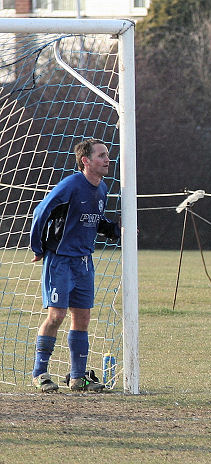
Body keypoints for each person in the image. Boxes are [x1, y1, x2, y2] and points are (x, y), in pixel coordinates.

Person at [29, 138, 120, 393]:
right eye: (101, 155)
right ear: (86, 161)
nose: (107, 159)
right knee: (56, 315)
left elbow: (94, 220)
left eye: (107, 155)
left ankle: (78, 377)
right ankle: (39, 373)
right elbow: (40, 212)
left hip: (84, 262)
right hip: (60, 260)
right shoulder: (70, 185)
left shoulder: (101, 188)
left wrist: (115, 229)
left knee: (82, 317)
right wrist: (37, 247)